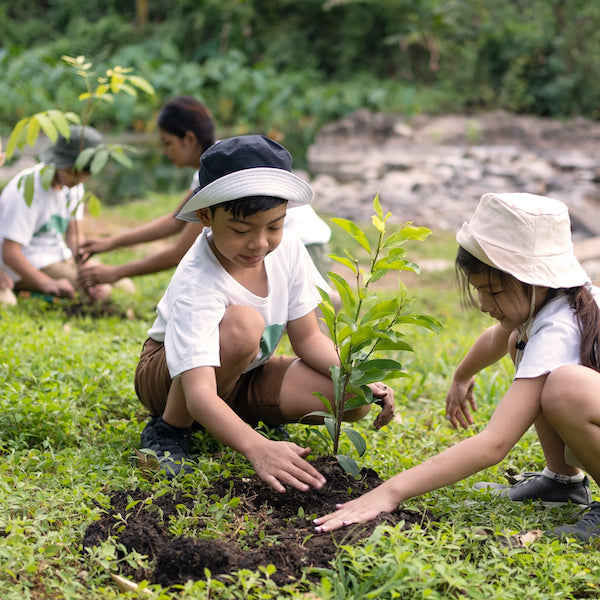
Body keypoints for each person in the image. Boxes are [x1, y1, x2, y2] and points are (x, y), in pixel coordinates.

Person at [314, 192, 600, 542]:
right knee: (520, 346)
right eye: (480, 290)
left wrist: (389, 492)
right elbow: (498, 337)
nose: (482, 304)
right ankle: (562, 483)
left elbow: (494, 444)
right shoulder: (556, 300)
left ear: (536, 280)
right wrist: (462, 375)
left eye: (493, 292)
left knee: (565, 387)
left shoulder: (559, 328)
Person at [134, 134, 394, 491]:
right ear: (206, 216)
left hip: (244, 372)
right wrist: (258, 449)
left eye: (274, 226)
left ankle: (241, 415)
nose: (260, 243)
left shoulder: (288, 248)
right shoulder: (198, 280)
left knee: (353, 399)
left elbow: (308, 338)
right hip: (172, 380)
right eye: (241, 230)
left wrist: (352, 373)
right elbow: (199, 393)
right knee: (244, 326)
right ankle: (169, 430)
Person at [78, 96, 216, 287]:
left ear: (189, 139)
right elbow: (175, 221)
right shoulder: (210, 165)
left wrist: (116, 272)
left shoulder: (216, 171)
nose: (166, 152)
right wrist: (110, 243)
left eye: (167, 143)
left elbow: (179, 252)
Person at [0, 125, 129, 302]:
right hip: (32, 262)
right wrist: (46, 283)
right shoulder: (27, 188)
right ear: (61, 162)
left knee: (124, 285)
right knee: (104, 292)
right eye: (73, 173)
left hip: (60, 256)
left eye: (85, 175)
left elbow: (74, 237)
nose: (79, 180)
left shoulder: (73, 187)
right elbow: (10, 253)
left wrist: (86, 266)